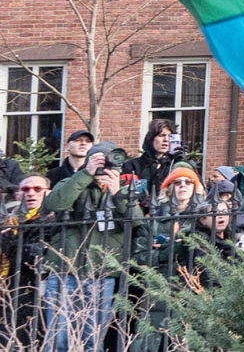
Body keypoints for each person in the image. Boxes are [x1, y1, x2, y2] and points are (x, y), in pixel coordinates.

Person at [41, 142, 148, 352]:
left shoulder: (123, 191)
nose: (104, 168)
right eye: (99, 161)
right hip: (65, 269)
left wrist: (118, 192)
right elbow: (53, 204)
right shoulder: (72, 182)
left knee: (92, 339)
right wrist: (86, 174)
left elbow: (136, 222)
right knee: (58, 338)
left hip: (103, 273)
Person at [136, 162, 209, 352]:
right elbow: (139, 255)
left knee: (185, 340)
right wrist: (164, 253)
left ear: (196, 187)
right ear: (170, 188)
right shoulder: (154, 220)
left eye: (188, 182)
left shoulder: (204, 218)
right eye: (177, 183)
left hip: (192, 286)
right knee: (150, 339)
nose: (183, 185)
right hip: (159, 284)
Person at [1, 174, 52, 347]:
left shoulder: (52, 221)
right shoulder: (7, 221)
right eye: (25, 189)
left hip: (32, 291)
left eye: (38, 189)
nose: (31, 193)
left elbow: (35, 259)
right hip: (6, 290)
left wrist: (8, 241)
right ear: (17, 195)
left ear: (48, 193)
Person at [121, 119, 182, 204]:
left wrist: (184, 162)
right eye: (161, 135)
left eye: (170, 136)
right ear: (151, 139)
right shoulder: (132, 165)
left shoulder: (175, 165)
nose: (166, 139)